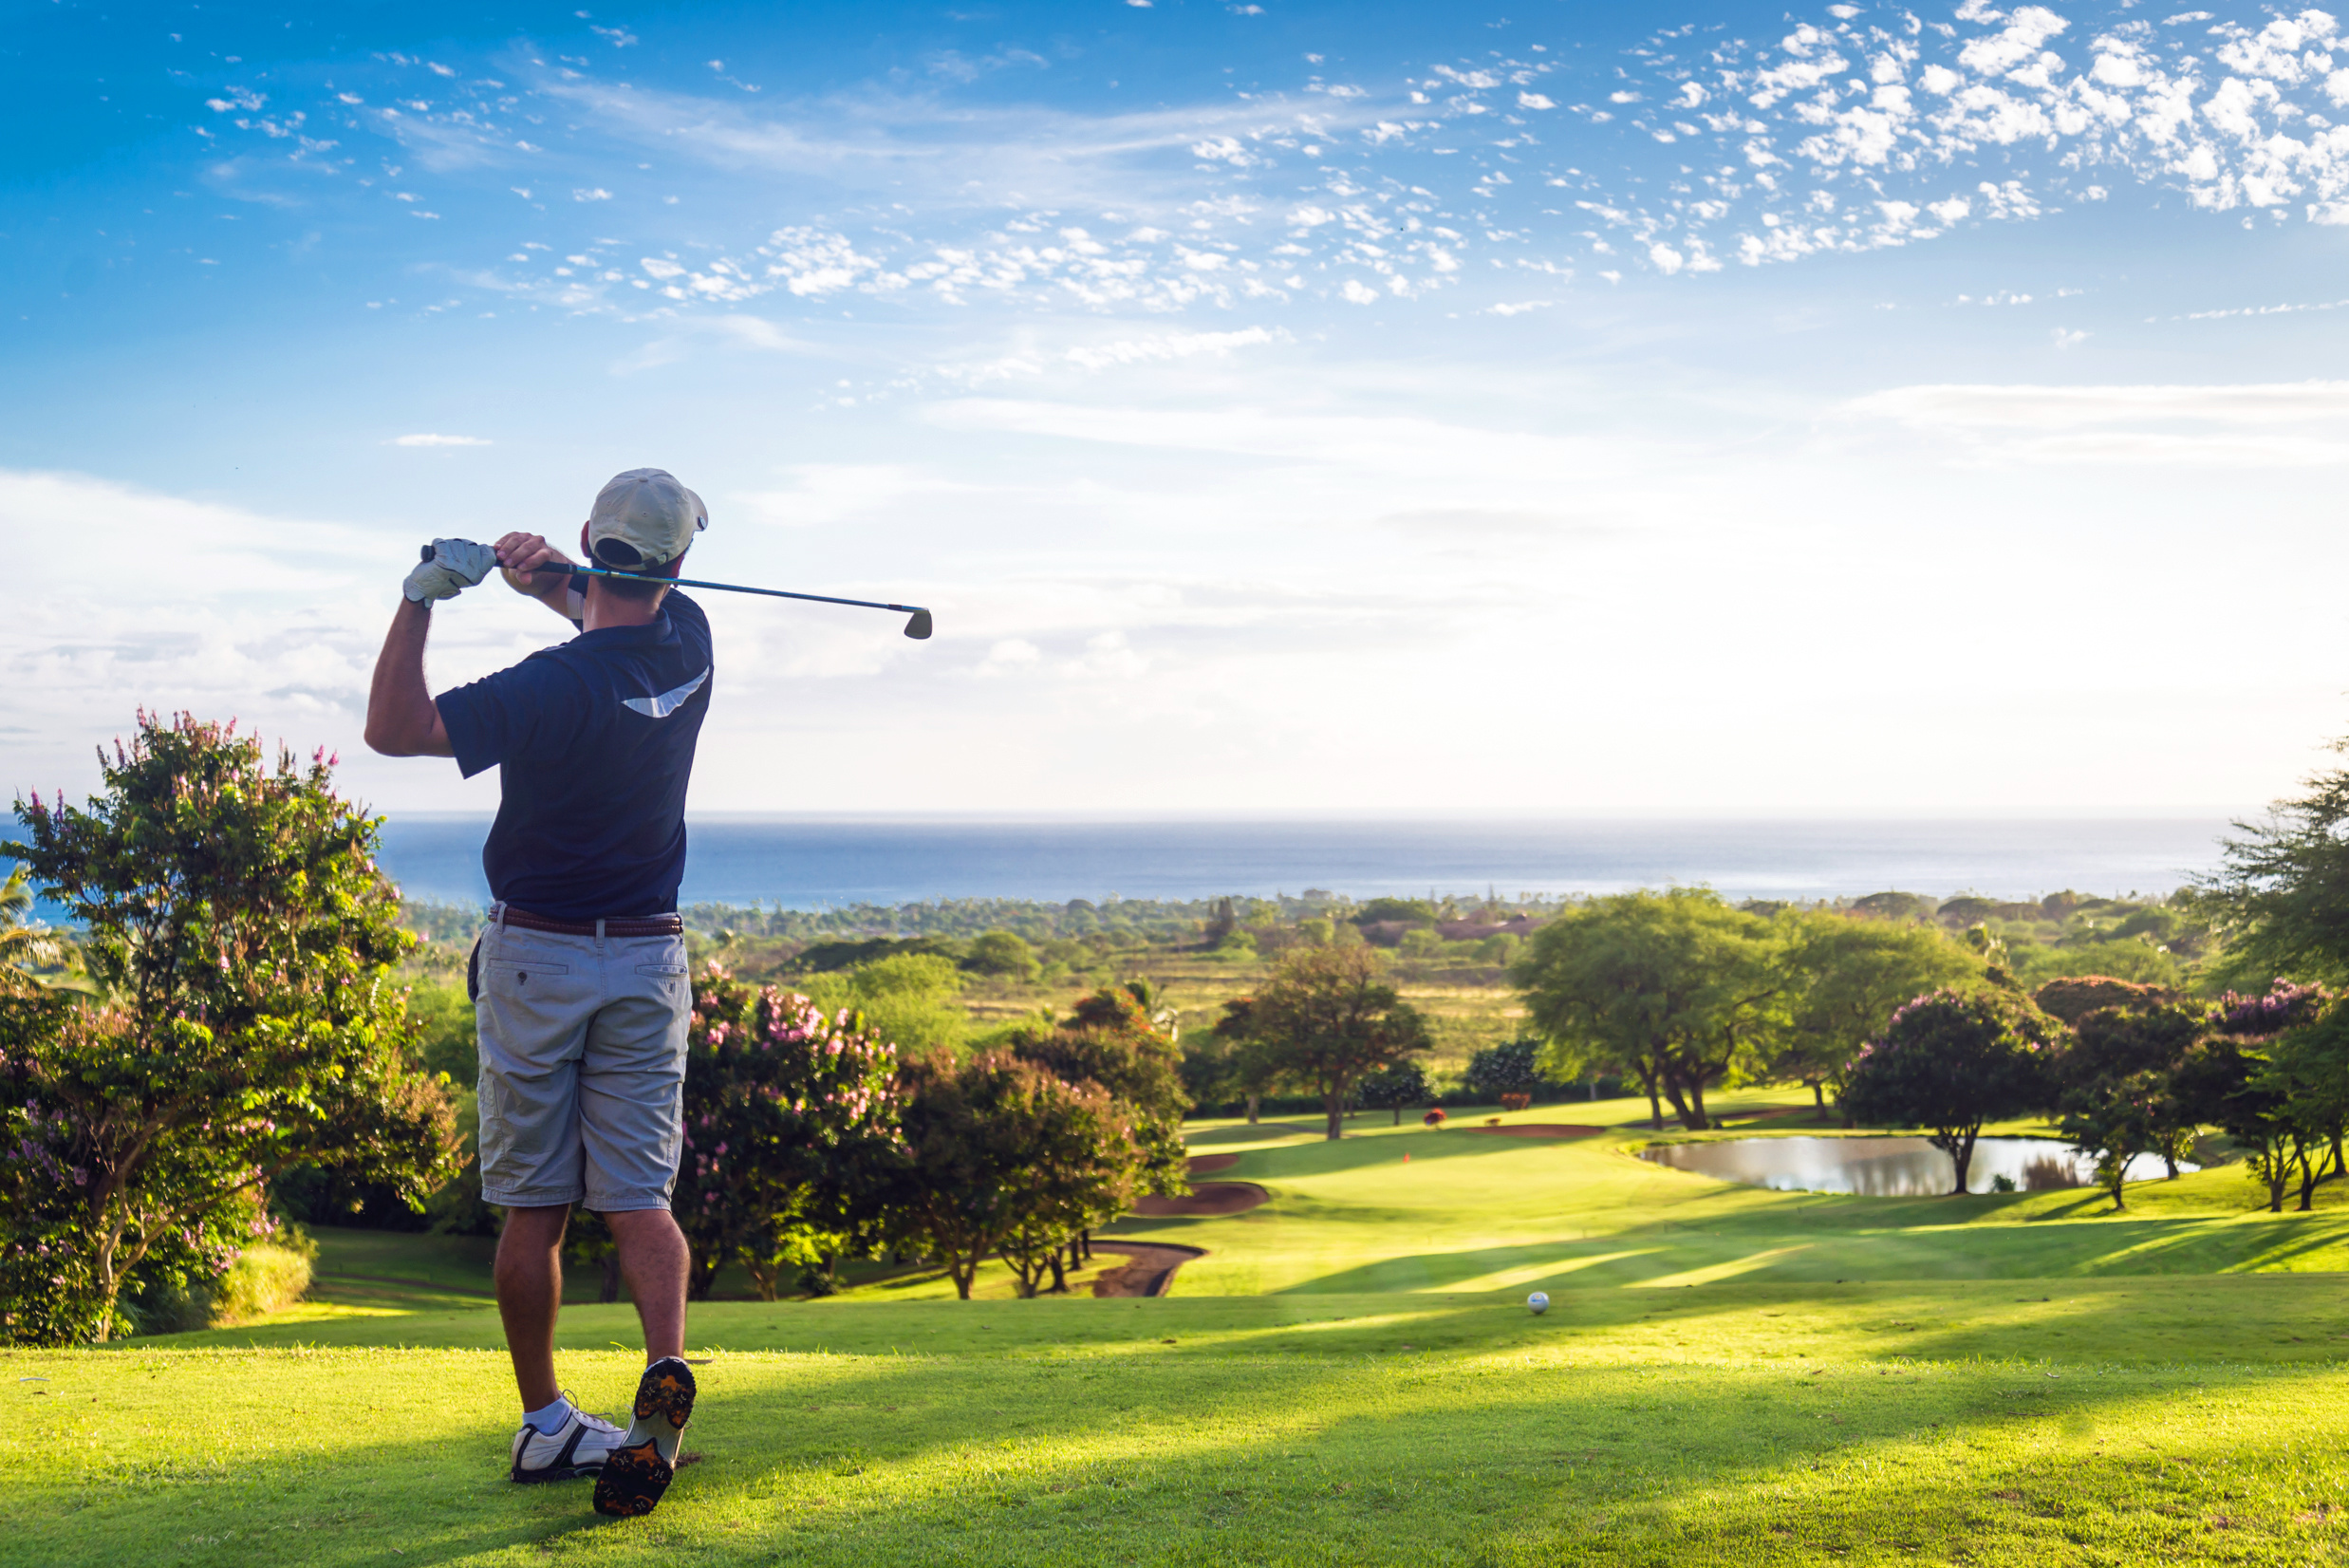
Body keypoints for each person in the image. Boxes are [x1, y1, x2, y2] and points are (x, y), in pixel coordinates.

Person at [363, 468, 714, 1520]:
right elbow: (606, 602)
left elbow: (395, 727)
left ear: (589, 539)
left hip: (538, 958)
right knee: (639, 1198)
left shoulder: (545, 688)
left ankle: (547, 1422)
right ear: (681, 563)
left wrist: (423, 592)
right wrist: (545, 579)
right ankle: (663, 1382)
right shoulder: (692, 640)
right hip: (648, 956)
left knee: (536, 1205)